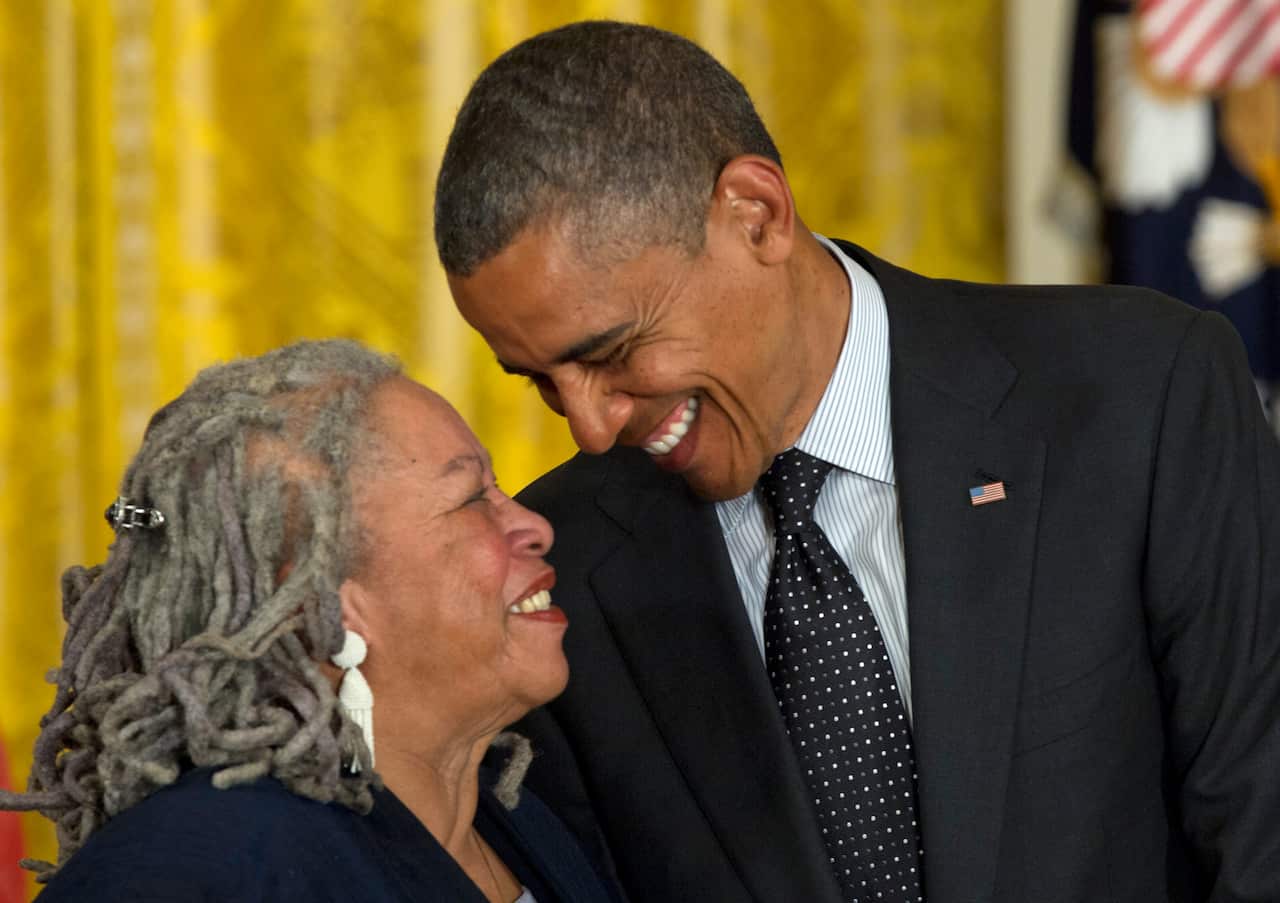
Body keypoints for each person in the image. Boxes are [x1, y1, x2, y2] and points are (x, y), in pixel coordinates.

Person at [433, 20, 1280, 903]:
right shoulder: (555, 573)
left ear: (755, 214)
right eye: (541, 381)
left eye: (612, 352)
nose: (591, 427)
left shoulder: (1140, 394)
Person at [0, 340, 623, 903]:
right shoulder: (197, 868)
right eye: (470, 500)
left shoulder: (518, 819)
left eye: (501, 487)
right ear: (322, 602)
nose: (536, 527)